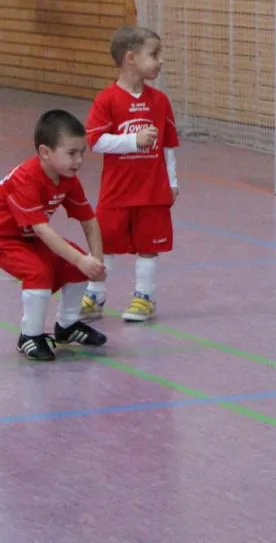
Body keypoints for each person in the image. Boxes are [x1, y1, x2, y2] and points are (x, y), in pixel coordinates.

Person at [81, 25, 180, 323]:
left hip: (152, 190)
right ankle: (94, 295)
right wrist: (133, 141)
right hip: (117, 191)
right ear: (131, 58)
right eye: (154, 54)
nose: (160, 61)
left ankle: (144, 297)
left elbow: (168, 145)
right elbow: (96, 141)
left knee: (149, 245)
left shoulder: (160, 101)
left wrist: (172, 181)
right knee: (105, 241)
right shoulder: (107, 100)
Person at [1, 110, 108, 360]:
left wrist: (95, 261)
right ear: (45, 152)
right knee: (39, 271)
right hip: (5, 239)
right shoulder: (26, 178)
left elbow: (90, 221)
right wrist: (81, 260)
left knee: (77, 265)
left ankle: (67, 325)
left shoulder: (68, 179)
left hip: (28, 237)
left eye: (82, 153)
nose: (79, 160)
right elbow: (42, 229)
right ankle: (29, 336)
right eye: (71, 153)